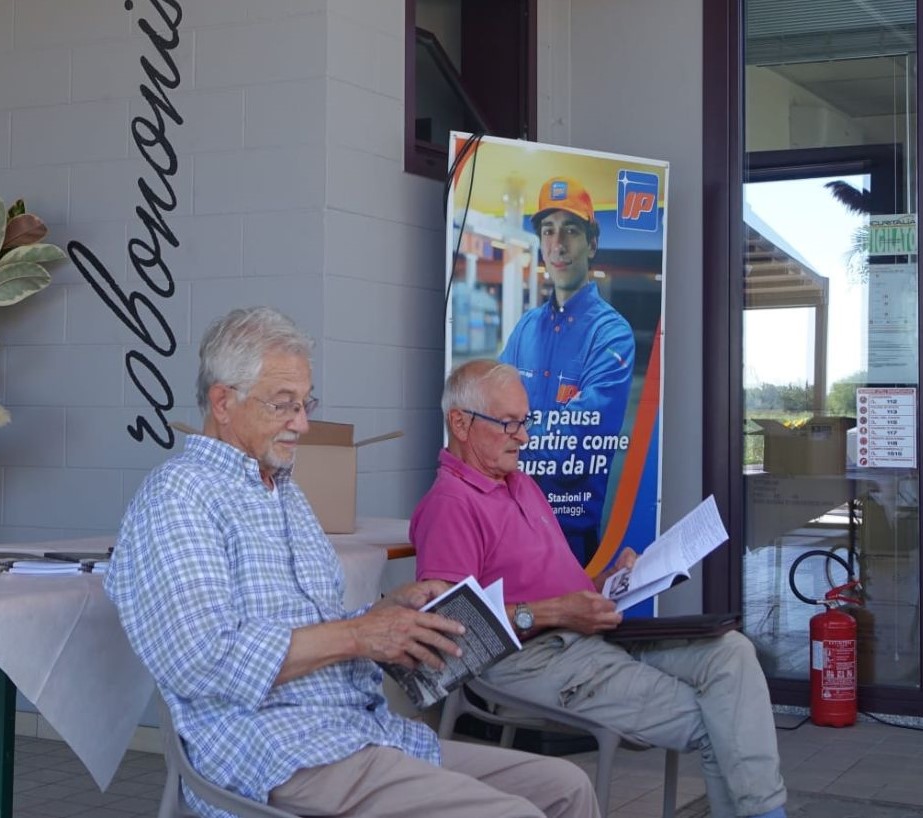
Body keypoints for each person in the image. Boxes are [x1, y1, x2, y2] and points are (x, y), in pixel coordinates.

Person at [105, 307, 600, 818]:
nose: (302, 423)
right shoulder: (180, 496)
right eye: (284, 404)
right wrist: (360, 634)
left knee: (566, 788)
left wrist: (388, 612)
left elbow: (315, 625)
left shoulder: (282, 492)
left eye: (305, 403)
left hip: (356, 730)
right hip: (279, 752)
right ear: (222, 402)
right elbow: (202, 659)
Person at [411, 360, 788, 818]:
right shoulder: (450, 505)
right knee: (719, 723)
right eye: (509, 423)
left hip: (589, 637)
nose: (524, 437)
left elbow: (556, 586)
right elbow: (452, 632)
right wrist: (556, 613)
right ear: (460, 423)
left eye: (526, 421)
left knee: (731, 653)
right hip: (530, 658)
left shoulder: (519, 484)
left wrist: (610, 581)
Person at [499, 176, 637, 566]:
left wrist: (503, 441)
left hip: (569, 539)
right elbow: (486, 408)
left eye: (571, 231)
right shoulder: (526, 328)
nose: (558, 244)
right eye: (548, 230)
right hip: (510, 526)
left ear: (592, 243)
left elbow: (574, 442)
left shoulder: (611, 334)